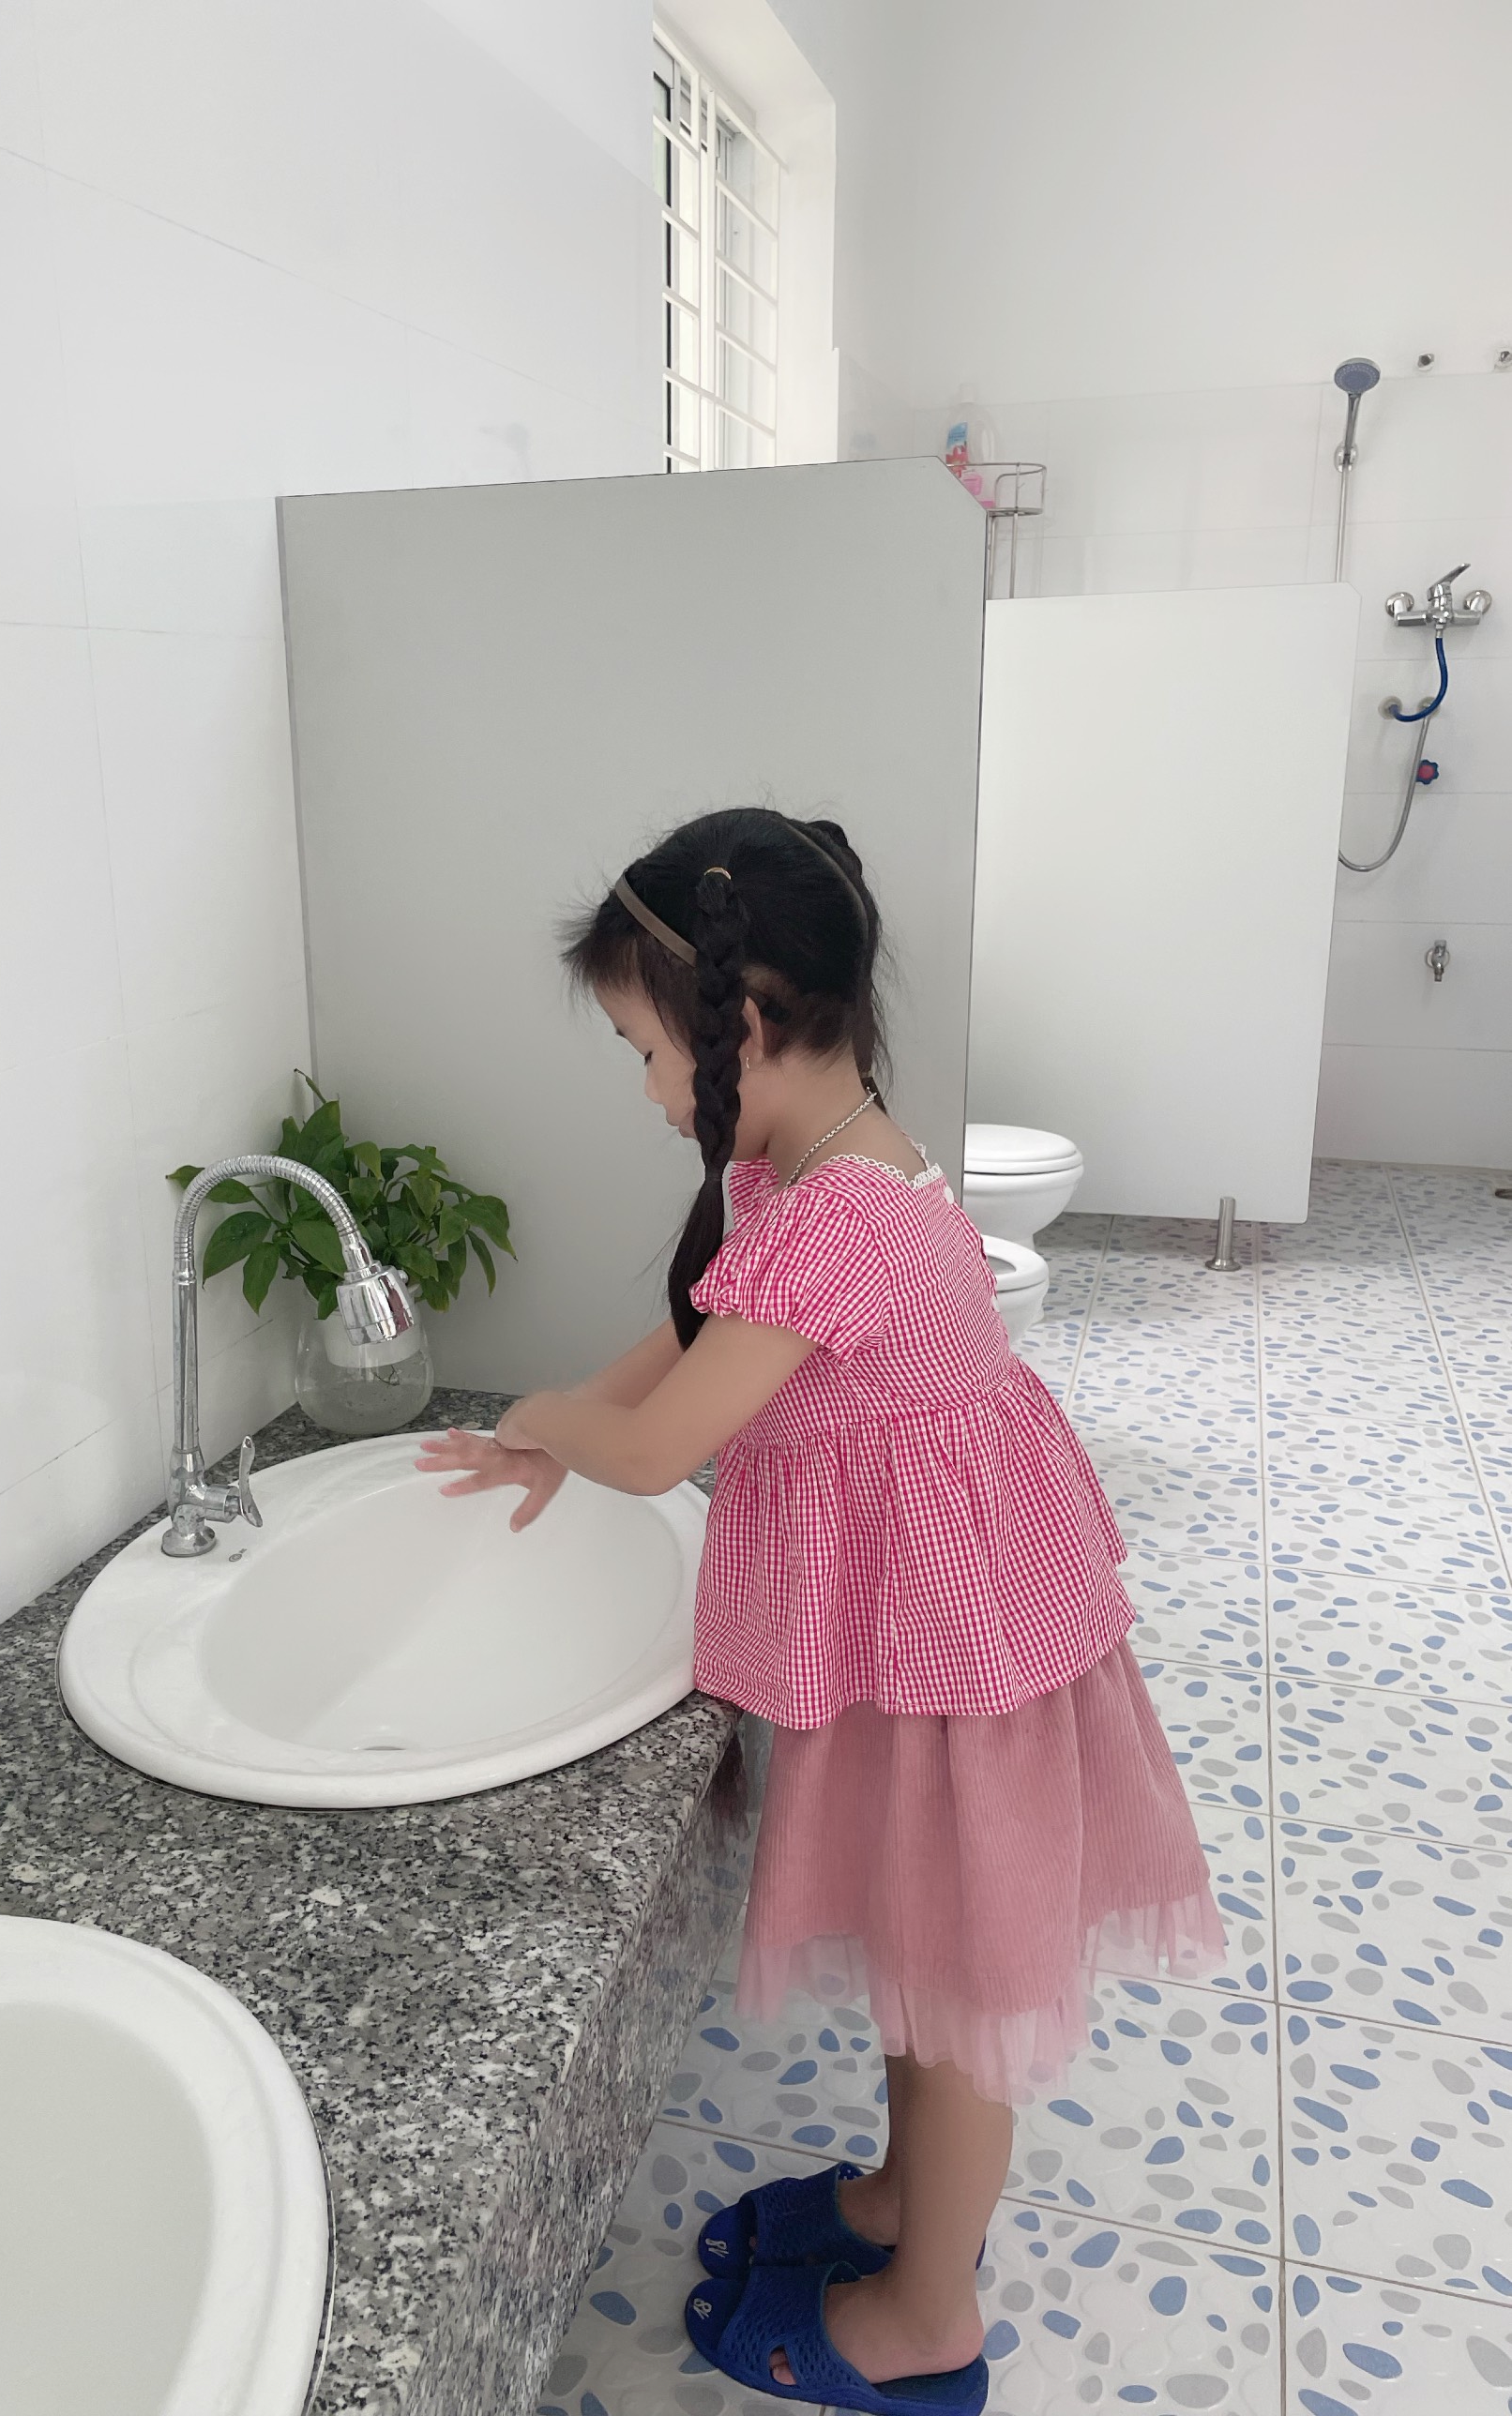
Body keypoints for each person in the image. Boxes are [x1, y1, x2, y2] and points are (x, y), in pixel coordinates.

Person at [416, 806, 1221, 2414]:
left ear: (746, 1022)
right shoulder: (829, 1155)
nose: (649, 1089)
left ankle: (931, 2315)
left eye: (648, 1051)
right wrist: (561, 1421)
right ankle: (901, 2201)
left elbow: (662, 1443)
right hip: (946, 1623)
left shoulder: (840, 1213)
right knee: (931, 1943)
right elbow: (696, 1340)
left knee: (968, 1991)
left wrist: (557, 1421)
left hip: (961, 1660)